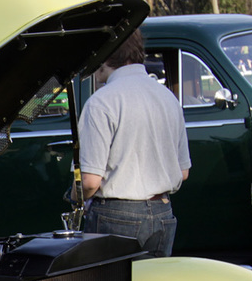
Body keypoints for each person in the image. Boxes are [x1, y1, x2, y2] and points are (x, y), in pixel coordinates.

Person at [77, 28, 190, 257]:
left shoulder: (101, 102)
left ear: (105, 55)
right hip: (162, 212)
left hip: (116, 214)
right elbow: (183, 171)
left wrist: (73, 196)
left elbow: (89, 182)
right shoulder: (168, 97)